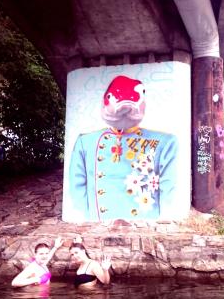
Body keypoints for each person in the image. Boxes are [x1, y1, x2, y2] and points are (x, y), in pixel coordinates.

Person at [69, 75, 178, 222]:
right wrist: (85, 222)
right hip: (100, 225)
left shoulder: (165, 143)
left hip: (144, 225)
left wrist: (163, 223)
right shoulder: (85, 142)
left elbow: (169, 190)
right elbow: (77, 189)